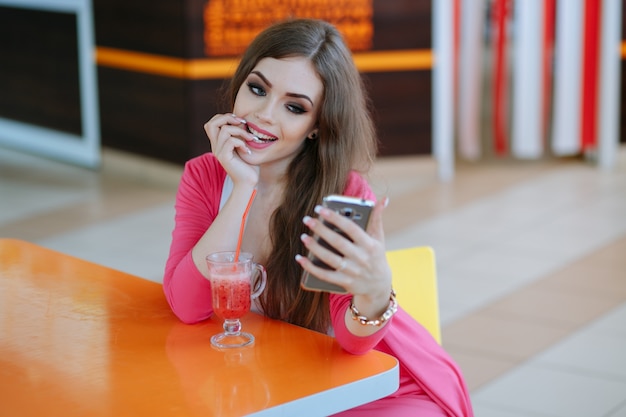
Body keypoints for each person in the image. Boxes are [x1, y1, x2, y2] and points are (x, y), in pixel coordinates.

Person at [163, 18, 474, 416]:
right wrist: (242, 188)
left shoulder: (341, 192)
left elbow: (353, 341)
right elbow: (188, 307)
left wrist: (376, 291)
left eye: (295, 107)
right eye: (257, 89)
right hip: (270, 379)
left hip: (370, 384)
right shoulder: (205, 176)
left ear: (316, 126)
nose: (263, 115)